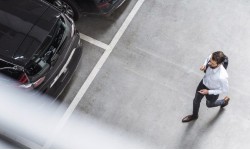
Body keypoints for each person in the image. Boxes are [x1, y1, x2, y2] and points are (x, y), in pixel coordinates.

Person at [182, 51, 230, 123]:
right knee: (196, 100)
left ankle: (224, 101)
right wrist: (204, 65)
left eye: (212, 63)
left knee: (209, 104)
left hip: (212, 90)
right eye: (210, 61)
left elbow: (225, 89)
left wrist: (208, 92)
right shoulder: (212, 57)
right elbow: (207, 59)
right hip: (203, 83)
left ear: (219, 64)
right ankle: (194, 115)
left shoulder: (222, 76)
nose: (209, 63)